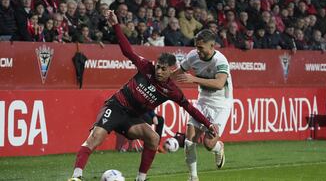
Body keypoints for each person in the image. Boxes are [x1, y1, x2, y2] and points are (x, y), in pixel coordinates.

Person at [68, 11, 218, 181]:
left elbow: (190, 109)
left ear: (171, 70)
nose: (158, 71)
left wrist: (208, 124)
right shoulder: (146, 67)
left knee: (153, 138)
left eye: (163, 69)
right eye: (158, 66)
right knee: (95, 138)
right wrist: (116, 25)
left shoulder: (172, 90)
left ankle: (141, 178)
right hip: (116, 106)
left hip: (132, 118)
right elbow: (127, 51)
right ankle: (76, 177)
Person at [172, 29, 233, 181]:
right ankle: (193, 177)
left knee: (208, 144)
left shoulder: (220, 61)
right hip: (203, 101)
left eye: (201, 48)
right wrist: (160, 79)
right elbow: (180, 72)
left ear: (212, 46)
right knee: (189, 139)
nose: (198, 51)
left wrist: (194, 80)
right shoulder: (193, 56)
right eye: (196, 46)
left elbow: (219, 83)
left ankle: (218, 148)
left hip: (221, 104)